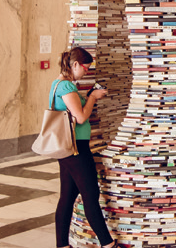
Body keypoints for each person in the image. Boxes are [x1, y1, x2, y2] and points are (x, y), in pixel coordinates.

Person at [51, 47, 115, 248]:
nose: (87, 72)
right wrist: (93, 98)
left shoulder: (58, 84)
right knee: (91, 196)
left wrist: (88, 96)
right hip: (76, 149)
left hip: (68, 148)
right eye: (86, 68)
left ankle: (62, 245)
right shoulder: (66, 87)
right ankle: (108, 244)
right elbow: (80, 117)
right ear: (75, 64)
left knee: (67, 197)